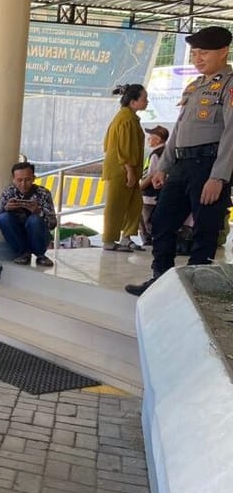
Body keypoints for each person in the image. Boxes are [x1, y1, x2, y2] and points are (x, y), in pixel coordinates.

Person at [126, 26, 233, 296]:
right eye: (195, 53)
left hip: (208, 166)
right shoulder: (195, 86)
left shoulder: (230, 85)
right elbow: (178, 130)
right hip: (182, 166)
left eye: (204, 52)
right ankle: (160, 279)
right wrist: (163, 167)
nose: (198, 58)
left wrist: (218, 177)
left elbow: (232, 134)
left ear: (223, 52)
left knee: (204, 229)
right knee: (161, 222)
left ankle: (196, 289)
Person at [100, 84, 148, 253]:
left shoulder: (130, 117)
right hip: (121, 170)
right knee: (116, 205)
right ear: (133, 102)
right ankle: (109, 240)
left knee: (134, 204)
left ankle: (126, 237)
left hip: (130, 169)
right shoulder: (125, 119)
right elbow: (123, 148)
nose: (146, 102)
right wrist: (129, 170)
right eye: (143, 99)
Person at [0, 161, 57, 267]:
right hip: (18, 235)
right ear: (13, 180)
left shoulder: (43, 193)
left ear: (33, 178)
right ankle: (23, 253)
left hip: (39, 235)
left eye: (27, 180)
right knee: (4, 218)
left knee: (34, 220)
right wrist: (5, 209)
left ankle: (40, 255)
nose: (23, 184)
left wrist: (38, 212)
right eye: (19, 180)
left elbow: (53, 224)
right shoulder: (9, 192)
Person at [138, 125, 169, 246]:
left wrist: (139, 188)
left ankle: (148, 240)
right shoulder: (167, 153)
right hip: (160, 194)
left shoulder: (156, 154)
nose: (148, 140)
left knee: (146, 220)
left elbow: (151, 175)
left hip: (150, 194)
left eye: (150, 137)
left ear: (158, 140)